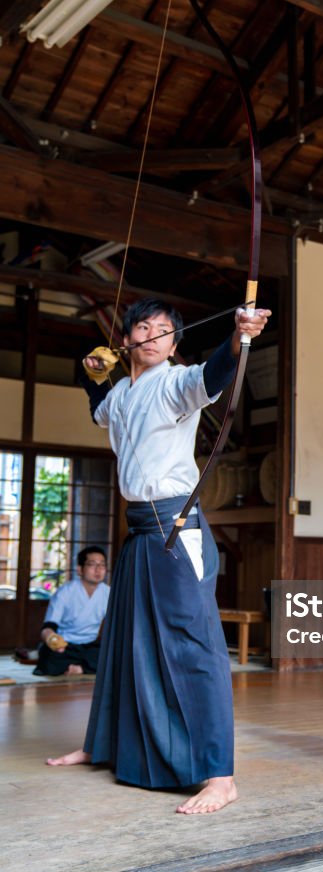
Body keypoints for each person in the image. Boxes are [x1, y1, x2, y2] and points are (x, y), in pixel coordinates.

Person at [46, 297, 271, 814]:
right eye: (141, 327)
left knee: (197, 649)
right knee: (125, 644)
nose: (150, 335)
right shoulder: (124, 391)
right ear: (126, 341)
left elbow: (213, 374)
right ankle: (100, 745)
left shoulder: (177, 382)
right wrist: (90, 372)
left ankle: (220, 775)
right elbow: (98, 405)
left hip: (175, 528)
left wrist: (239, 336)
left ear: (173, 344)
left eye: (162, 330)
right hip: (140, 533)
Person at [34, 546, 109, 677]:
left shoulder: (108, 592)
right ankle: (84, 667)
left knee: (113, 654)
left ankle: (78, 668)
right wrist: (52, 639)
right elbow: (48, 627)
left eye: (102, 565)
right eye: (92, 564)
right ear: (80, 569)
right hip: (65, 645)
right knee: (48, 658)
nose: (98, 569)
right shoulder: (65, 592)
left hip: (90, 646)